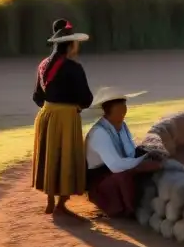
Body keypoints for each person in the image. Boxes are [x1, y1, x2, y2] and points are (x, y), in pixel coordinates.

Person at [32, 19, 94, 216]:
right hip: (66, 117)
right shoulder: (74, 68)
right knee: (65, 155)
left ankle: (50, 200)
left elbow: (37, 97)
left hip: (46, 115)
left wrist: (51, 108)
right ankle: (61, 203)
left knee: (50, 156)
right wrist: (71, 107)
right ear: (70, 44)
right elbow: (86, 99)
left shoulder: (43, 65)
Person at [85, 87, 162, 217]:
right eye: (118, 108)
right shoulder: (99, 133)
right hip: (101, 180)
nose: (123, 111)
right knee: (125, 175)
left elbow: (130, 152)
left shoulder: (122, 126)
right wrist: (141, 163)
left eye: (124, 106)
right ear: (107, 110)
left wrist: (145, 157)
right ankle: (127, 210)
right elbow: (116, 166)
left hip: (118, 168)